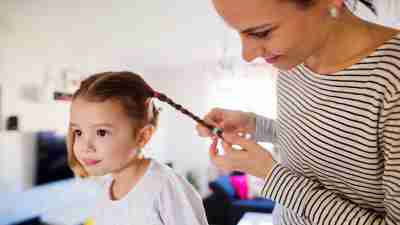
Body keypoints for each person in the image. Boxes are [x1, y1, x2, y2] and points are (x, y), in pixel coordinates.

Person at [196, 0, 400, 224]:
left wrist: (273, 177)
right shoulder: (294, 61)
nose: (247, 55)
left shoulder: (392, 80)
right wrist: (254, 124)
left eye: (262, 32)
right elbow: (328, 143)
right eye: (240, 34)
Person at [67, 71, 208, 225]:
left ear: (142, 136)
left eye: (101, 132)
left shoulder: (165, 187)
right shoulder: (105, 191)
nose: (85, 147)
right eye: (78, 132)